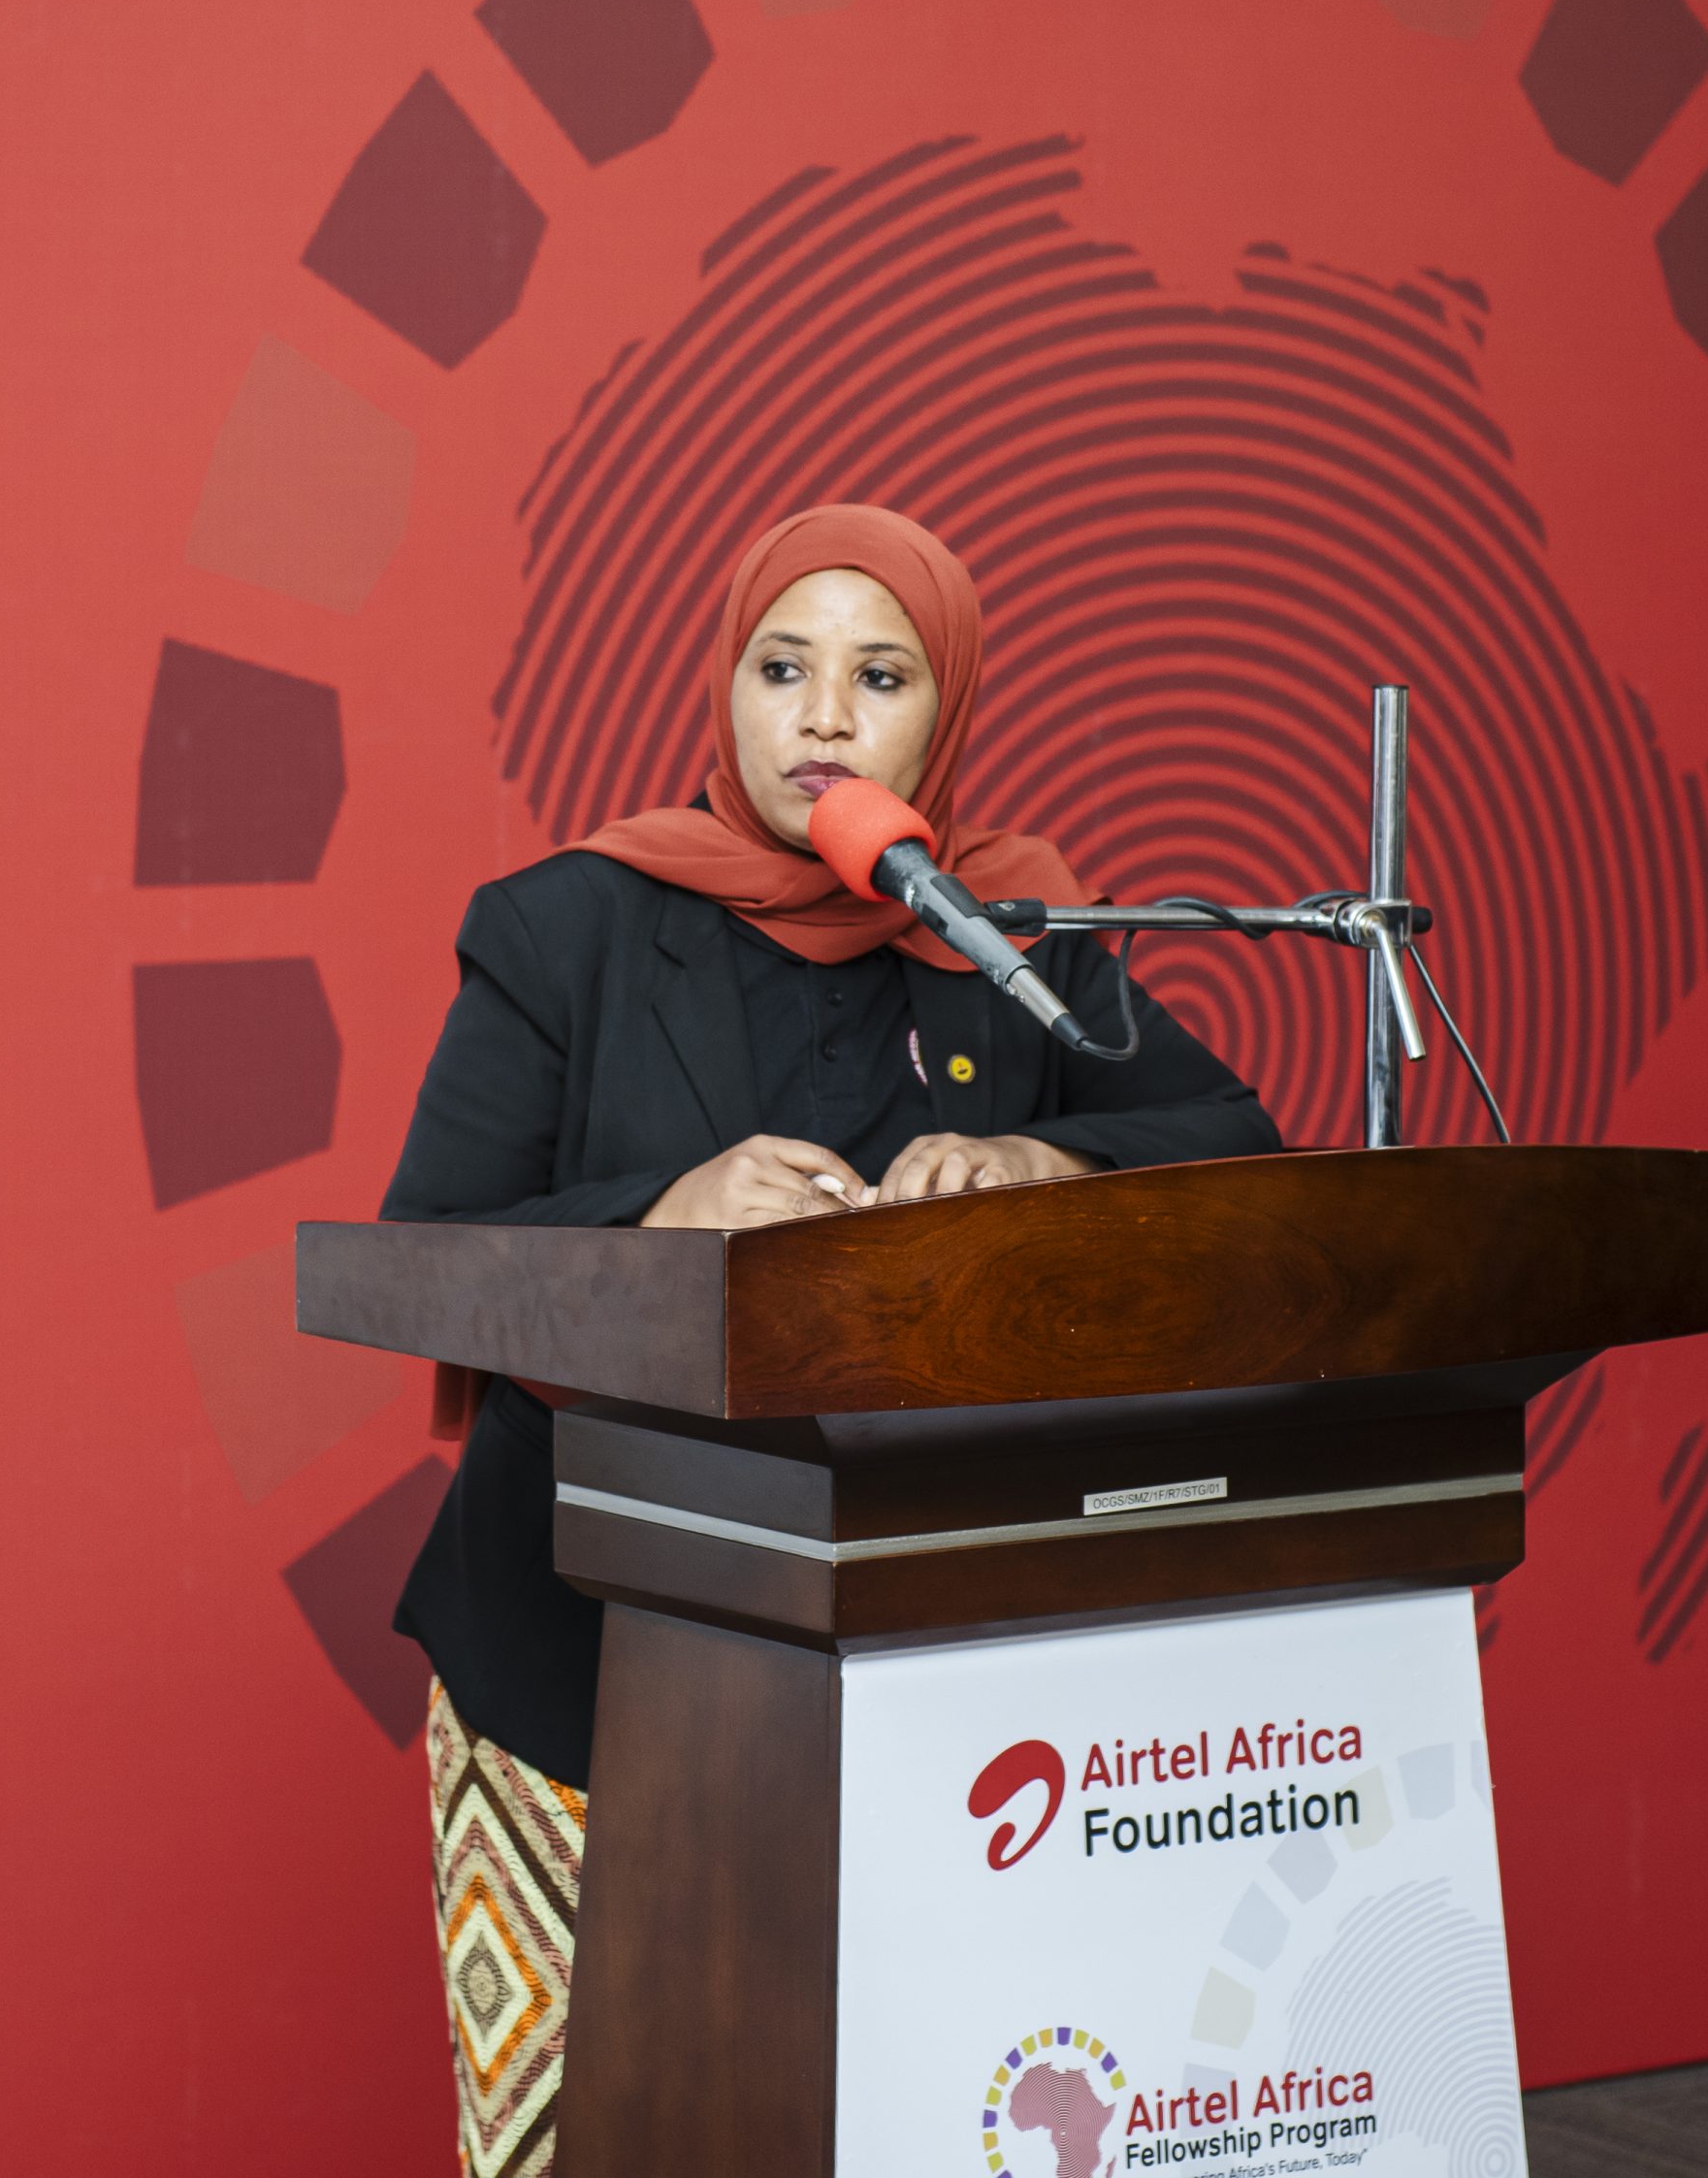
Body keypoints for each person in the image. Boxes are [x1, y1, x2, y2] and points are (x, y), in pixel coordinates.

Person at [380, 505, 1279, 2176]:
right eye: (781, 668)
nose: (822, 718)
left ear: (946, 714)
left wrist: (1043, 1162)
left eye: (880, 678)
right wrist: (666, 1209)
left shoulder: (1009, 931)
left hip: (938, 1666)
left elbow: (1235, 1142)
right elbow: (429, 1251)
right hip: (582, 1661)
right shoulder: (567, 926)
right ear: (724, 687)